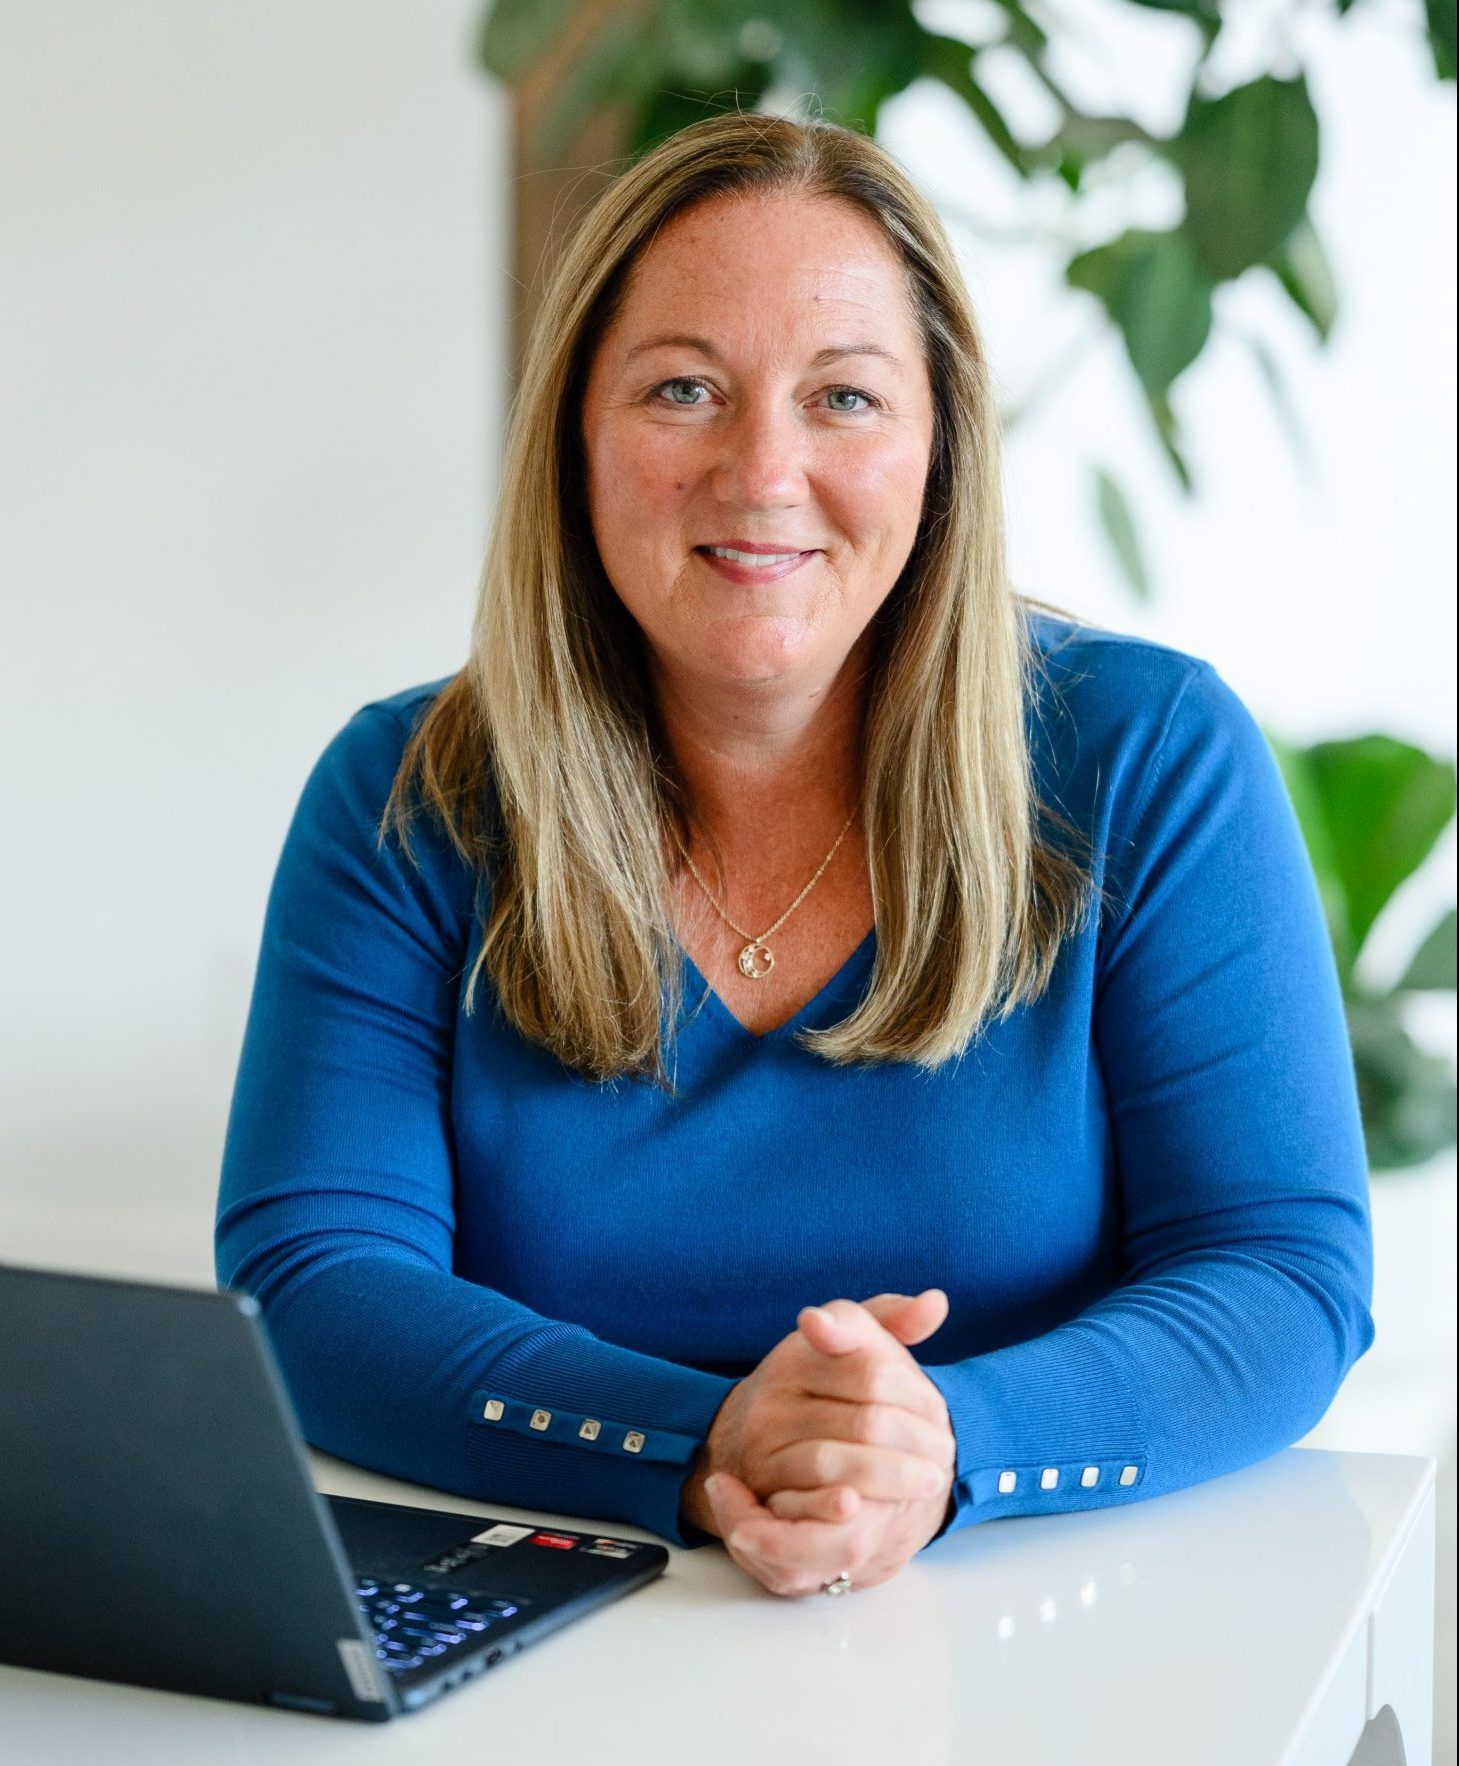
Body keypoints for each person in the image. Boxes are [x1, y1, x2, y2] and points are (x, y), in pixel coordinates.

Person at [215, 112, 1375, 1601]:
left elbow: (1281, 1271)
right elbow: (310, 1281)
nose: (763, 471)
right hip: (568, 1625)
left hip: (1063, 1628)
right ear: (576, 430)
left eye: (843, 396)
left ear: (940, 446)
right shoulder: (410, 794)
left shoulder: (1148, 756)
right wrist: (703, 1438)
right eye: (683, 388)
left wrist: (948, 1441)